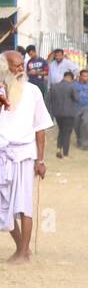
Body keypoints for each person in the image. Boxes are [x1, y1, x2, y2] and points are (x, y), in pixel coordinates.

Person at [0, 50, 53, 263]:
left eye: (22, 64)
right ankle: (22, 248)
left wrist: (40, 160)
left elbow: (40, 128)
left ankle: (23, 252)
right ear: (5, 68)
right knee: (3, 207)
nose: (21, 69)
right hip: (3, 153)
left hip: (25, 155)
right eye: (15, 65)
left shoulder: (33, 92)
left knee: (23, 205)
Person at [48, 69, 80, 159]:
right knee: (67, 133)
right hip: (69, 113)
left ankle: (58, 149)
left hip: (57, 113)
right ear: (70, 78)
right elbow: (76, 98)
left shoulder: (54, 86)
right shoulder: (72, 86)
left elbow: (49, 100)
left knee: (61, 131)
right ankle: (65, 153)